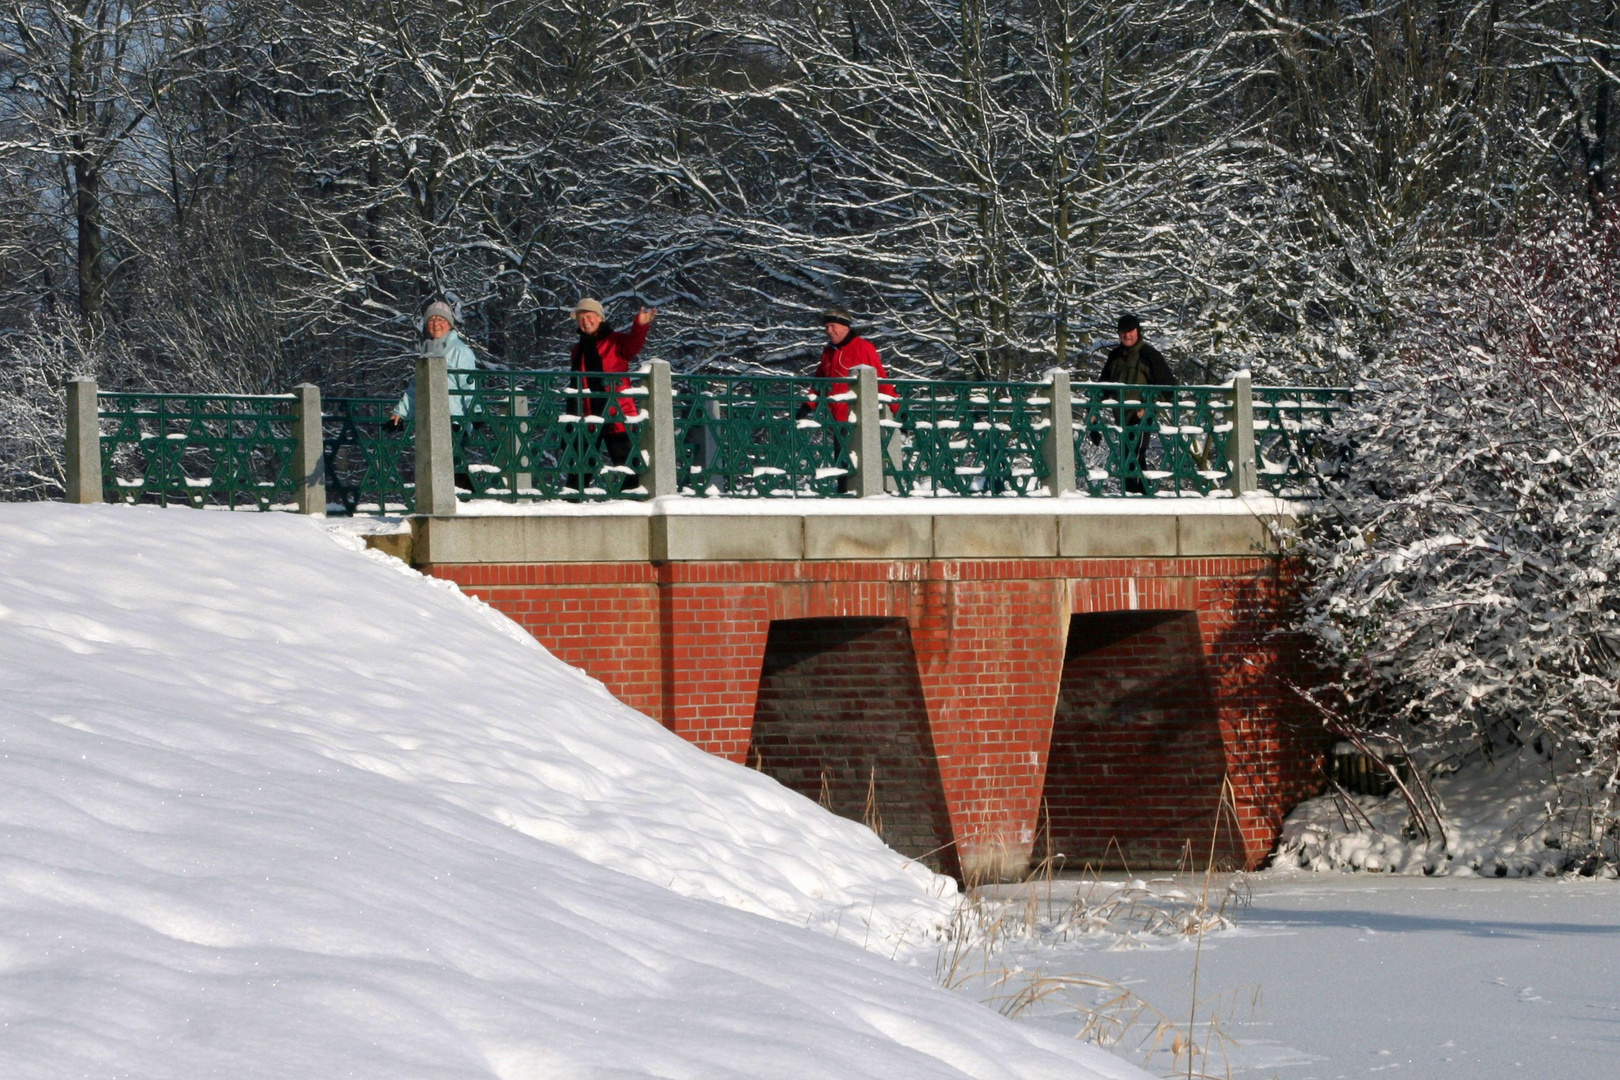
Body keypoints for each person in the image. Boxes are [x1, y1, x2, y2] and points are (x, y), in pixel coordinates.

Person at [805, 308, 897, 492]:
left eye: (833, 326)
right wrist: (808, 404)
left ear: (845, 327)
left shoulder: (863, 347)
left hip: (858, 418)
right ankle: (843, 494)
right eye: (826, 327)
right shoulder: (828, 352)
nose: (829, 331)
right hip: (837, 420)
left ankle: (858, 495)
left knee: (855, 462)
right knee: (842, 463)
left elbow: (880, 378)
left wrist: (898, 409)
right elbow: (820, 381)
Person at [571, 297, 656, 490]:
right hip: (588, 414)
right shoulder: (578, 350)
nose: (585, 321)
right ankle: (570, 505)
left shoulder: (615, 341)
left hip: (616, 414)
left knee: (627, 464)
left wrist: (640, 326)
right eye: (580, 318)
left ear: (600, 318)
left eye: (589, 316)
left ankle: (632, 504)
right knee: (581, 465)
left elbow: (633, 346)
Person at [1095, 313, 1175, 494]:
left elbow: (1169, 387)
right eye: (1123, 332)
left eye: (1130, 331)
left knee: (1135, 454)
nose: (1127, 335)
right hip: (1121, 416)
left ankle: (1138, 496)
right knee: (1126, 456)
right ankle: (1137, 495)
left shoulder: (1149, 355)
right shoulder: (1115, 356)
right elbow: (1103, 385)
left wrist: (1149, 404)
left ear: (1138, 332)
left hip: (1142, 415)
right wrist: (1094, 410)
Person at [387, 301, 479, 429]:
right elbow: (416, 388)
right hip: (428, 422)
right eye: (431, 320)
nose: (436, 324)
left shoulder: (460, 350)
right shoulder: (427, 350)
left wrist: (476, 412)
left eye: (441, 319)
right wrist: (400, 414)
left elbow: (469, 385)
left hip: (454, 423)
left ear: (450, 324)